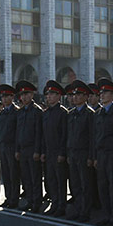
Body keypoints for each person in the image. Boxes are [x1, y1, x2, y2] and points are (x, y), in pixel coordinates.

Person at [93, 78, 113, 226]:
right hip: (101, 154)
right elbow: (94, 137)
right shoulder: (98, 113)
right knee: (102, 186)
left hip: (112, 154)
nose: (102, 95)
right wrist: (94, 157)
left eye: (106, 93)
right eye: (101, 93)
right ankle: (106, 214)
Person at [66, 80, 95, 222]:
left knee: (85, 184)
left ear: (86, 97)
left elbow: (91, 137)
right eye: (74, 95)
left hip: (84, 153)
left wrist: (91, 156)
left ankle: (85, 211)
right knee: (75, 184)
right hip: (73, 152)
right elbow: (68, 135)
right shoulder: (71, 114)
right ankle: (77, 209)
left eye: (79, 95)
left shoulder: (90, 114)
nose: (75, 97)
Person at [41, 80, 68, 217]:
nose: (49, 97)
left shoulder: (63, 113)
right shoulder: (46, 113)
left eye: (52, 94)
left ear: (59, 96)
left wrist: (62, 153)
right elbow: (43, 135)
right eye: (47, 94)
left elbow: (64, 135)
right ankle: (54, 203)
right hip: (49, 152)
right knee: (50, 179)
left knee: (60, 180)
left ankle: (61, 205)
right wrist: (43, 152)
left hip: (58, 152)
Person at [15, 80, 44, 212]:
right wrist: (17, 149)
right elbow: (18, 133)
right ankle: (30, 200)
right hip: (23, 149)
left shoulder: (37, 111)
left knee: (35, 177)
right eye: (22, 95)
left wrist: (37, 151)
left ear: (32, 95)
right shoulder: (20, 112)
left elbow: (39, 133)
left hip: (33, 149)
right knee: (26, 177)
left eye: (27, 94)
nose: (24, 97)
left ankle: (37, 202)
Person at [0, 84, 20, 209]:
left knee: (13, 174)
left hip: (12, 146)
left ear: (12, 97)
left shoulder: (16, 112)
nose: (4, 99)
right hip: (3, 146)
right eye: (3, 97)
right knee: (5, 174)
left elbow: (18, 133)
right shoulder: (2, 113)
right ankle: (8, 197)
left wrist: (17, 149)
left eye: (7, 96)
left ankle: (14, 198)